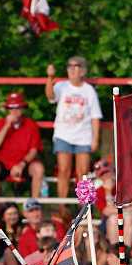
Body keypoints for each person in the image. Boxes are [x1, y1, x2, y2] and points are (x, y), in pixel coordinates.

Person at [45, 56, 102, 198]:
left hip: (83, 136)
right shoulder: (61, 86)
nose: (71, 69)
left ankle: (83, 207)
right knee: (63, 170)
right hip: (63, 134)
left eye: (75, 66)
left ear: (83, 71)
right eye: (69, 66)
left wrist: (95, 139)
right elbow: (50, 96)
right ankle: (62, 206)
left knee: (83, 173)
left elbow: (95, 117)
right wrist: (50, 77)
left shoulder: (89, 91)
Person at [0, 93, 44, 198]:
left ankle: (35, 205)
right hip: (4, 164)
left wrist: (21, 164)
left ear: (23, 109)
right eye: (11, 108)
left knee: (38, 168)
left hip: (24, 164)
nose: (14, 111)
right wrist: (7, 126)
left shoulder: (31, 125)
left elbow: (34, 150)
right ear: (7, 109)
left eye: (18, 107)